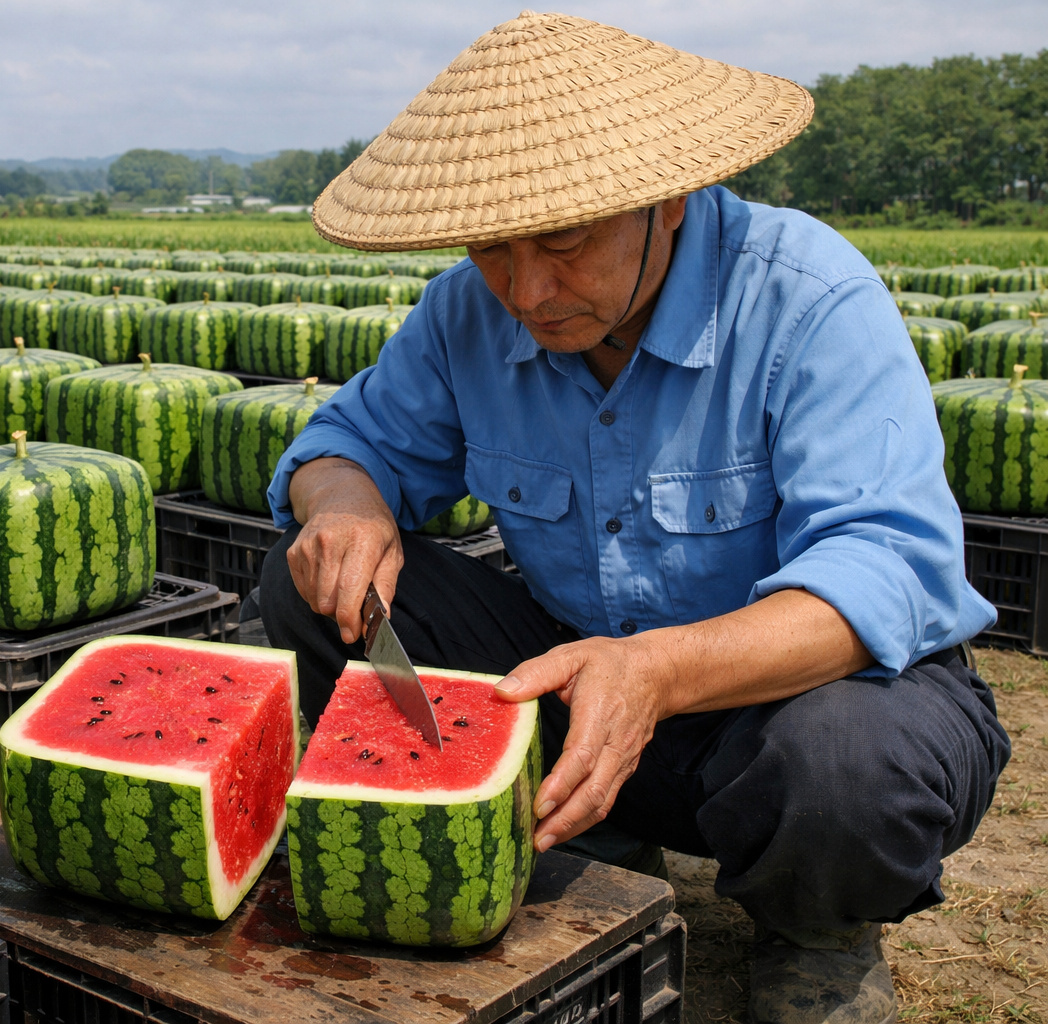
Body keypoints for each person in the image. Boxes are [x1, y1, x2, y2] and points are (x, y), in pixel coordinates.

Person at [259, 13, 1010, 1024]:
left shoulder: (807, 298)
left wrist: (657, 670)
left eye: (563, 242)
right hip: (590, 686)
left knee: (845, 764)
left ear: (669, 201)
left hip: (795, 708)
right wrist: (344, 508)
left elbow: (886, 569)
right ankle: (588, 837)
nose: (526, 289)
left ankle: (819, 931)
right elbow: (347, 442)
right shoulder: (467, 314)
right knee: (309, 590)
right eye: (491, 246)